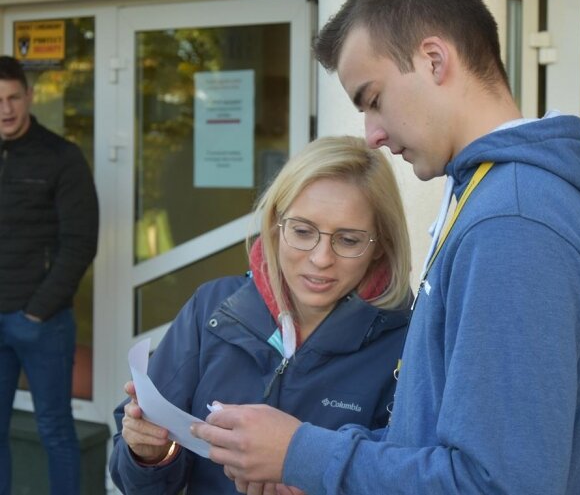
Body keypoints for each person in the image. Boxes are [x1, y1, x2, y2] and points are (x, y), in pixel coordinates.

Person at [192, 0, 580, 494]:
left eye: (374, 99)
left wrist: (304, 453)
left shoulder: (512, 224)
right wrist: (306, 460)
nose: (372, 135)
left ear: (433, 60)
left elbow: (494, 485)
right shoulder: (494, 199)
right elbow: (436, 441)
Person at [109, 135, 412, 494]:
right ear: (275, 224)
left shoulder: (405, 342)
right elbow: (136, 482)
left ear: (380, 247)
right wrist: (150, 455)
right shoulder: (212, 307)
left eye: (348, 240)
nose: (321, 258)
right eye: (302, 231)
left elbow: (411, 477)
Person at [0, 55, 99, 495]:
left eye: (13, 97)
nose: (5, 109)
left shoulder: (62, 157)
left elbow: (81, 242)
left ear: (29, 97)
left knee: (56, 432)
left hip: (42, 323)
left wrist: (37, 312)